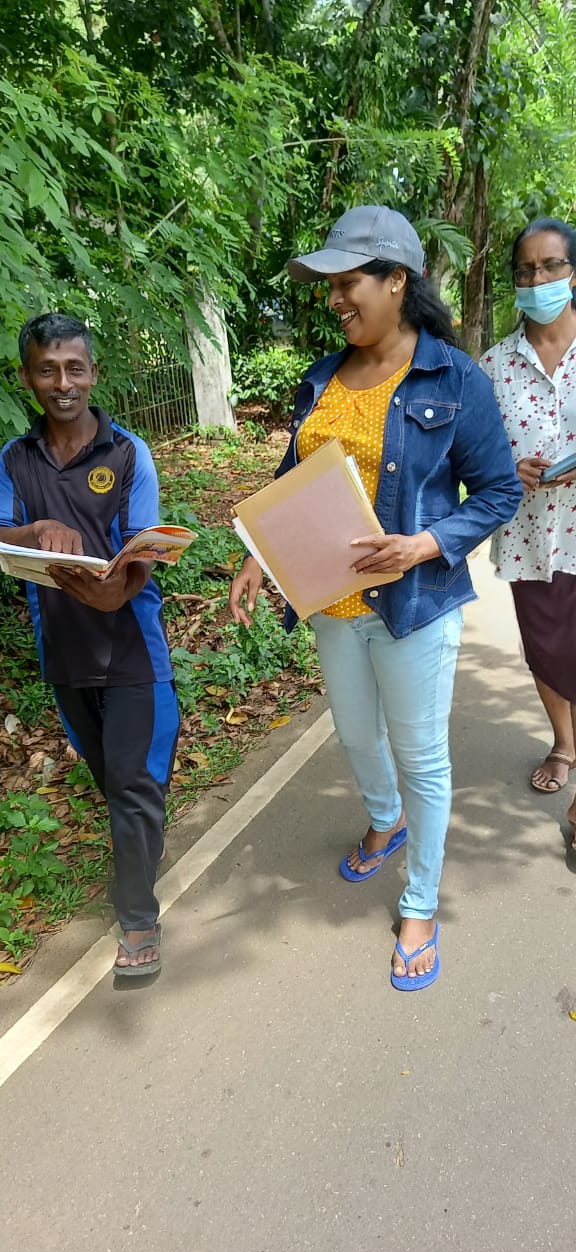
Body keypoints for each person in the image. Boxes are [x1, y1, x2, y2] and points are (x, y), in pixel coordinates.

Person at [229, 205, 523, 991]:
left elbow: (497, 494)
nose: (334, 298)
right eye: (328, 286)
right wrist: (259, 556)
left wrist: (425, 543)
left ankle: (421, 902)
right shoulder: (320, 378)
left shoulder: (454, 378)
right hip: (333, 604)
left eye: (347, 281)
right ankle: (385, 822)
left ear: (399, 282)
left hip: (414, 606)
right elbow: (294, 480)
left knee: (422, 755)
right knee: (358, 739)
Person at [0, 313, 180, 978]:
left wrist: (112, 590)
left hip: (132, 651)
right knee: (116, 784)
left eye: (74, 367)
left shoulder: (129, 453)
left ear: (93, 373)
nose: (62, 381)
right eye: (47, 369)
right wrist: (36, 529)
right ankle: (144, 837)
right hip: (66, 658)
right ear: (28, 378)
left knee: (132, 785)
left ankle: (137, 921)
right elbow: (0, 531)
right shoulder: (14, 461)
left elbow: (144, 553)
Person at [480, 217, 576, 812]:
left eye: (549, 267)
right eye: (525, 270)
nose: (536, 278)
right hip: (530, 537)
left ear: (573, 274)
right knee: (544, 647)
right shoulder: (492, 366)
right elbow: (478, 454)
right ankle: (564, 746)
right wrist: (504, 472)